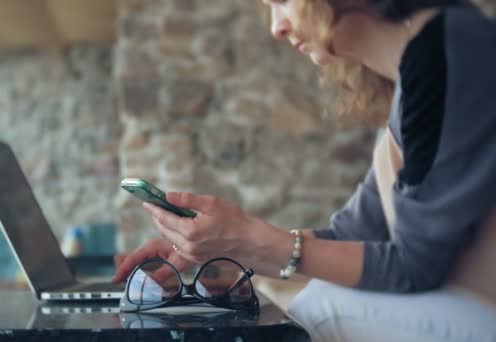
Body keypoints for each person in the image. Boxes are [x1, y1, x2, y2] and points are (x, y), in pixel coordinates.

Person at [112, 0, 496, 308]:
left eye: (281, 3)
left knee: (315, 313)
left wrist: (247, 240)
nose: (276, 27)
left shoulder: (445, 51)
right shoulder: (414, 71)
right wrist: (221, 246)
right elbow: (354, 235)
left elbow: (413, 267)